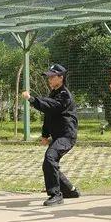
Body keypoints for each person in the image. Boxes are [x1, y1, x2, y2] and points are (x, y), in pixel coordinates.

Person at [22, 63, 80, 206]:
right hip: (58, 136)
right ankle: (70, 190)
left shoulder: (64, 95)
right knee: (49, 162)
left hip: (67, 136)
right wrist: (45, 135)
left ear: (61, 78)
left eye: (52, 76)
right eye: (49, 77)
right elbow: (49, 115)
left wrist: (33, 99)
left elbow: (51, 105)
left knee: (50, 159)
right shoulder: (53, 94)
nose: (49, 79)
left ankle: (56, 194)